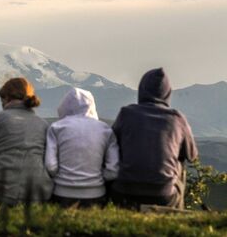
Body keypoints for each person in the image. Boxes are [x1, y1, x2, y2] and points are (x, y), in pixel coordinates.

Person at [110, 68, 198, 209]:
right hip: (163, 195)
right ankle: (174, 215)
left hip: (124, 191)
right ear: (167, 93)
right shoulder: (177, 119)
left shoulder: (126, 114)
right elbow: (192, 155)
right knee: (180, 162)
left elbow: (111, 143)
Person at [0, 77, 53, 205]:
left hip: (0, 191)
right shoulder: (43, 124)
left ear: (7, 98)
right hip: (38, 193)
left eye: (1, 100)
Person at [44, 87, 119, 207]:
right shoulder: (105, 130)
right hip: (96, 194)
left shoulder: (56, 128)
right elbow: (113, 171)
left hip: (62, 193)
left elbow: (51, 166)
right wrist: (96, 178)